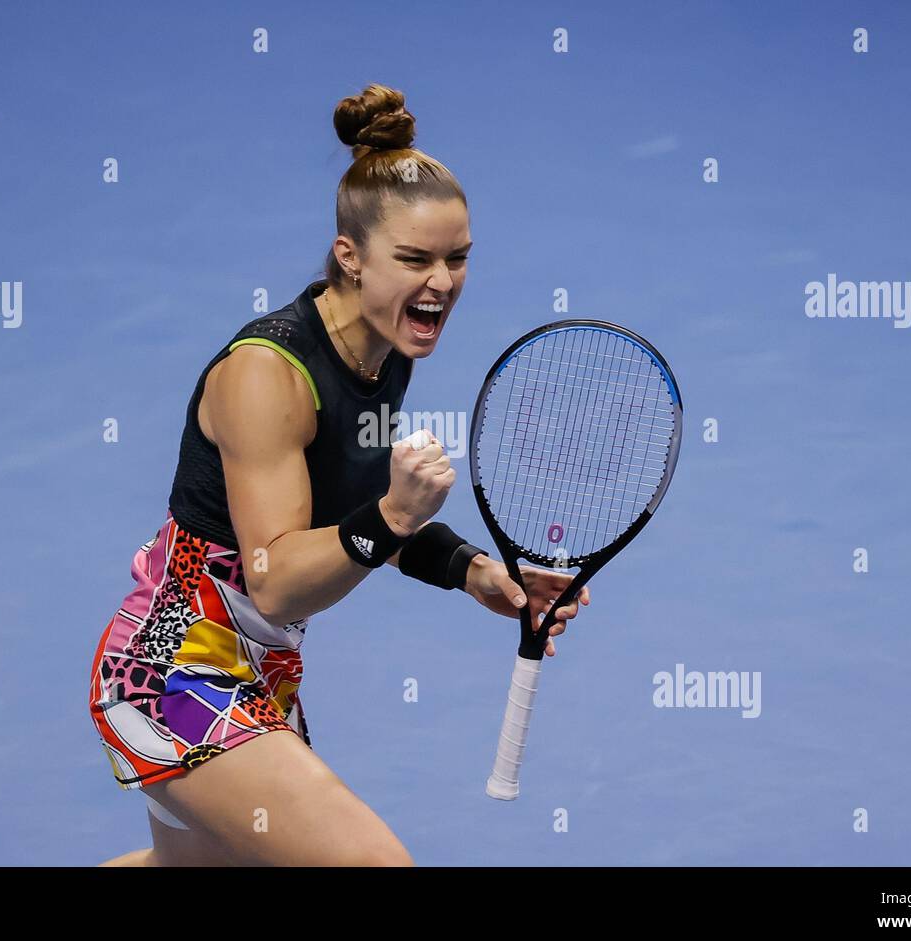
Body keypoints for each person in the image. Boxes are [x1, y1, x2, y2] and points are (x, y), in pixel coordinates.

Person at [88, 83, 590, 866]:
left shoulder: (381, 349)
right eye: (415, 260)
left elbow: (352, 511)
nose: (443, 283)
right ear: (350, 258)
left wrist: (474, 571)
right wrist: (391, 516)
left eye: (458, 259)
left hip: (257, 668)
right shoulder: (266, 376)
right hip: (173, 673)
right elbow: (281, 581)